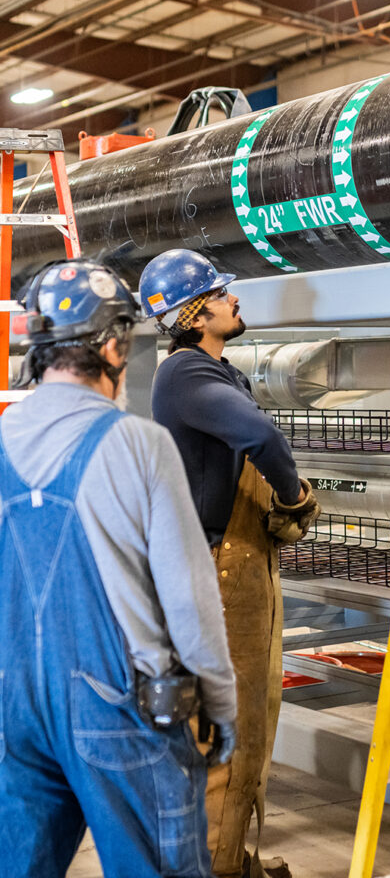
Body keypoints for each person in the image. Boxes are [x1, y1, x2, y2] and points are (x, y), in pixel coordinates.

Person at [0, 258, 237, 878]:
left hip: (16, 709)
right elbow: (189, 596)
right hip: (122, 706)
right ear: (111, 344)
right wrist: (221, 701)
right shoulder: (139, 444)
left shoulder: (1, 441)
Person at [138, 249, 320, 878]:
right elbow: (263, 439)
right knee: (231, 727)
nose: (233, 298)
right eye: (220, 292)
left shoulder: (216, 372)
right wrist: (296, 497)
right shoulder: (187, 374)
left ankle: (230, 858)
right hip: (219, 569)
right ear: (194, 312)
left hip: (236, 565)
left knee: (248, 719)